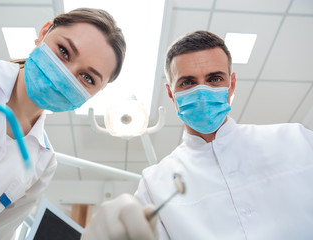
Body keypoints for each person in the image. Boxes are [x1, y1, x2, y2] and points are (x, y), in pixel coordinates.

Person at [0, 7, 156, 240]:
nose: (66, 74)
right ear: (44, 32)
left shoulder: (43, 164)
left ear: (95, 93)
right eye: (64, 51)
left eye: (88, 78)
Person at [134, 30, 313, 239]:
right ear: (171, 93)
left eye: (215, 79)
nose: (202, 92)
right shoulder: (154, 185)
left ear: (231, 84)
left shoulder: (296, 141)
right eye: (188, 82)